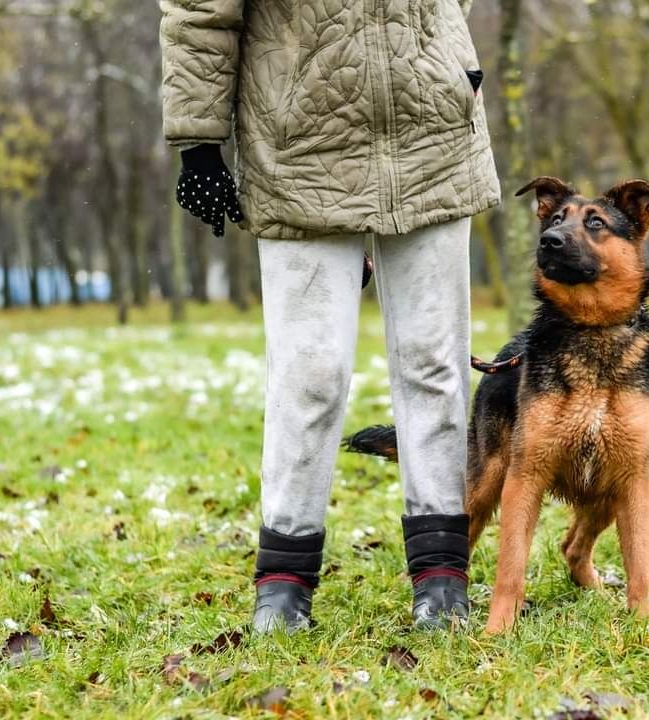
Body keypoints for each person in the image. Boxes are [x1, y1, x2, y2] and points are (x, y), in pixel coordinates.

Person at [159, 0, 500, 633]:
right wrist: (198, 140)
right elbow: (200, 12)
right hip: (299, 147)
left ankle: (442, 577)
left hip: (433, 134)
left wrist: (439, 56)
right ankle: (284, 582)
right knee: (309, 374)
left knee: (434, 362)